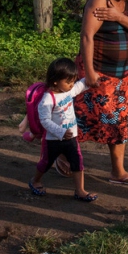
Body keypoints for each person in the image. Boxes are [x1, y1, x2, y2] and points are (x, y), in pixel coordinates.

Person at [59, 0, 128, 186]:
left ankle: (118, 172)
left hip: (120, 78)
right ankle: (62, 154)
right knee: (80, 117)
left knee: (119, 122)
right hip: (97, 73)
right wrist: (89, 72)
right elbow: (87, 36)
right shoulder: (99, 1)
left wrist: (118, 16)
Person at [28, 58, 98, 202]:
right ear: (55, 81)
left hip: (71, 138)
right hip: (53, 140)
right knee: (45, 163)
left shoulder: (68, 91)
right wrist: (60, 132)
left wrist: (91, 78)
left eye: (73, 80)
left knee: (77, 162)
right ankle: (35, 181)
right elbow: (45, 121)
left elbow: (80, 85)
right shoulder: (47, 99)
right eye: (68, 81)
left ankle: (80, 190)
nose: (72, 84)